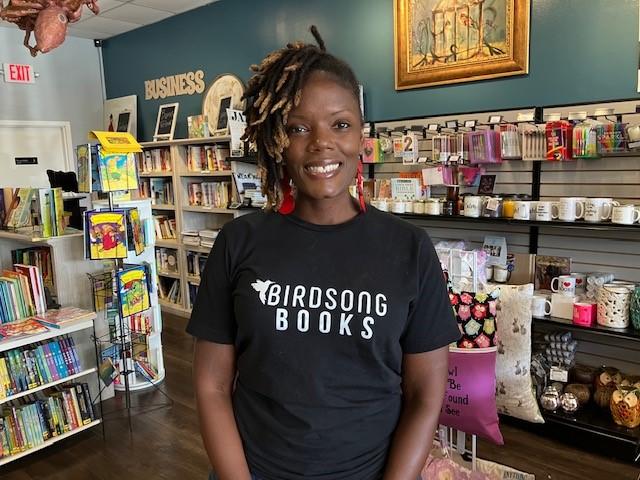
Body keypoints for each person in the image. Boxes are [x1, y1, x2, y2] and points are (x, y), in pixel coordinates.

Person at [187, 26, 460, 480]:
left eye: (340, 124)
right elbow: (211, 385)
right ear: (277, 139)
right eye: (298, 128)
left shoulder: (408, 248)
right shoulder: (240, 242)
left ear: (360, 134)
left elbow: (426, 394)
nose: (321, 143)